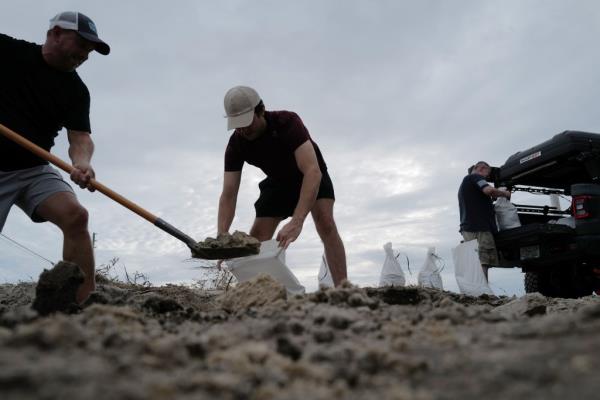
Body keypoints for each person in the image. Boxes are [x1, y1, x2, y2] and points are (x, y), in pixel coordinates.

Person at [0, 12, 110, 303]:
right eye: (82, 44)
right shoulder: (9, 52)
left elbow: (80, 138)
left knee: (76, 216)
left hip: (32, 169)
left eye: (91, 50)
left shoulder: (76, 90)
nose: (85, 54)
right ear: (57, 33)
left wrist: (82, 163)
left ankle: (82, 304)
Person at [217, 85, 348, 286]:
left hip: (310, 175)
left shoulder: (287, 123)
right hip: (278, 183)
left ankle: (343, 289)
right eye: (237, 125)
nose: (243, 129)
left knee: (326, 223)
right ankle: (256, 292)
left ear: (260, 111)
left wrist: (297, 221)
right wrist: (222, 237)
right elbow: (228, 194)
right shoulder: (236, 144)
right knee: (257, 238)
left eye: (246, 122)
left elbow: (312, 172)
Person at [457, 161, 511, 280]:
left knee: (476, 260)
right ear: (481, 168)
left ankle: (476, 291)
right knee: (483, 260)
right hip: (479, 228)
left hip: (469, 227)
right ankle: (483, 293)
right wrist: (505, 193)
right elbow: (489, 190)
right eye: (487, 174)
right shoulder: (475, 177)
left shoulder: (465, 183)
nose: (487, 177)